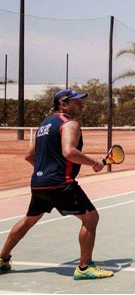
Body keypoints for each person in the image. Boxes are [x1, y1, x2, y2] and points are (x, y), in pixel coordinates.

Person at [0, 89, 114, 280]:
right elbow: (69, 152)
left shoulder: (43, 126)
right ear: (63, 105)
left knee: (29, 220)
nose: (81, 104)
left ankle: (2, 258)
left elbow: (29, 156)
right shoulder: (70, 124)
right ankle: (85, 268)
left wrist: (44, 170)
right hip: (61, 183)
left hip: (39, 183)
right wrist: (95, 163)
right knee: (91, 219)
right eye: (76, 102)